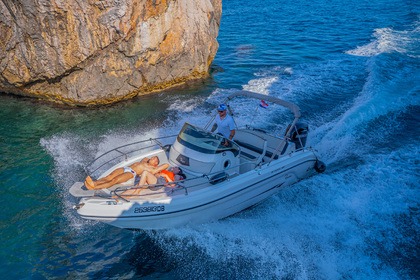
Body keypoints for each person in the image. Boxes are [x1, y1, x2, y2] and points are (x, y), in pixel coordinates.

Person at [84, 156, 169, 190]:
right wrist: (150, 160)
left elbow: (166, 164)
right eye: (153, 157)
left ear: (156, 164)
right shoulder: (145, 161)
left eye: (155, 159)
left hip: (131, 173)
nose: (153, 158)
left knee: (114, 180)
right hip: (125, 168)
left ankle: (95, 187)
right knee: (109, 177)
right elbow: (147, 157)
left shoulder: (152, 169)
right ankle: (93, 183)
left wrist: (156, 167)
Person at [121, 167, 186, 197]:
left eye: (176, 168)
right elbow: (157, 174)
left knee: (145, 172)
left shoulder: (175, 175)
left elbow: (173, 185)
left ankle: (137, 192)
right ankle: (118, 197)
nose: (174, 167)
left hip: (158, 183)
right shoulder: (167, 171)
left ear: (178, 171)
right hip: (154, 180)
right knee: (136, 186)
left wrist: (166, 176)